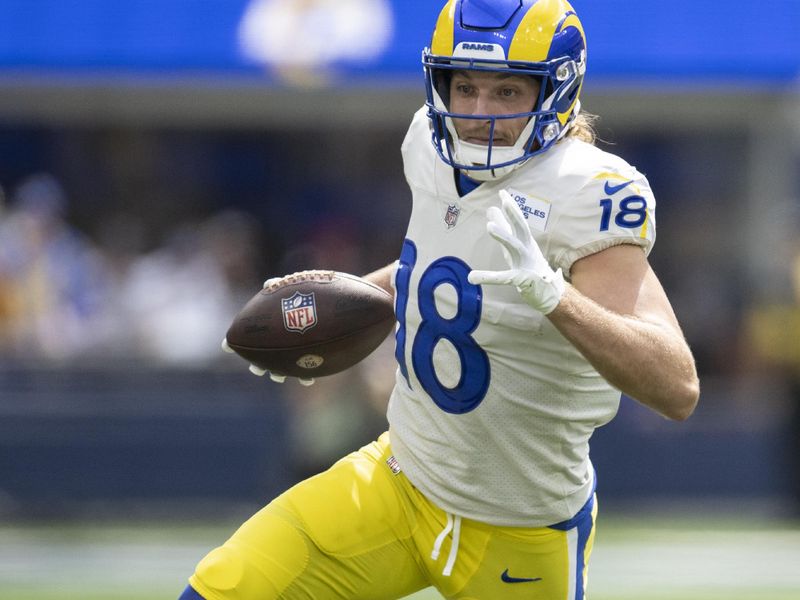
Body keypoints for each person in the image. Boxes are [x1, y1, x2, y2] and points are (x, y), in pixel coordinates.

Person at [180, 0, 699, 598]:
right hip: (399, 480)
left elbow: (676, 387)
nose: (478, 114)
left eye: (508, 92)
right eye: (466, 86)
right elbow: (436, 270)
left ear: (557, 90)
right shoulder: (428, 147)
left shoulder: (592, 192)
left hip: (519, 530)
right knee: (222, 587)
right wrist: (336, 296)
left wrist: (556, 298)